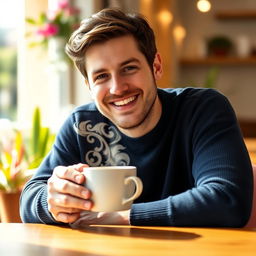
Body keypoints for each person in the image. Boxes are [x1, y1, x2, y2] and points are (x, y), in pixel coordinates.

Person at [20, 8, 253, 227]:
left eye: (129, 68)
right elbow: (30, 198)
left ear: (156, 66)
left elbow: (228, 200)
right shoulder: (82, 125)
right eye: (101, 76)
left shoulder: (202, 110)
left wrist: (122, 217)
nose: (117, 88)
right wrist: (53, 202)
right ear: (89, 86)